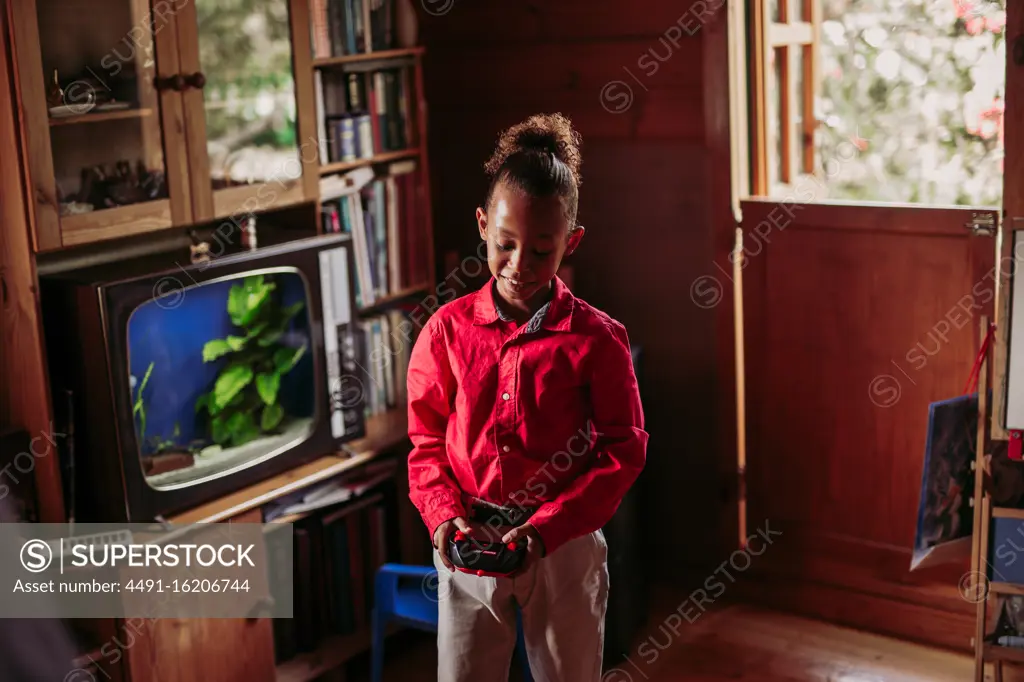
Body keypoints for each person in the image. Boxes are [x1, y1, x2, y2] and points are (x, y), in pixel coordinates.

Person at [406, 112, 648, 681]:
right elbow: (425, 442)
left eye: (542, 251)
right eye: (505, 244)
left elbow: (623, 450)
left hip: (563, 550)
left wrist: (544, 530)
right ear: (483, 224)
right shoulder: (444, 331)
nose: (520, 266)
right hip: (468, 542)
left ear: (571, 242)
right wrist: (444, 521)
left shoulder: (599, 340)